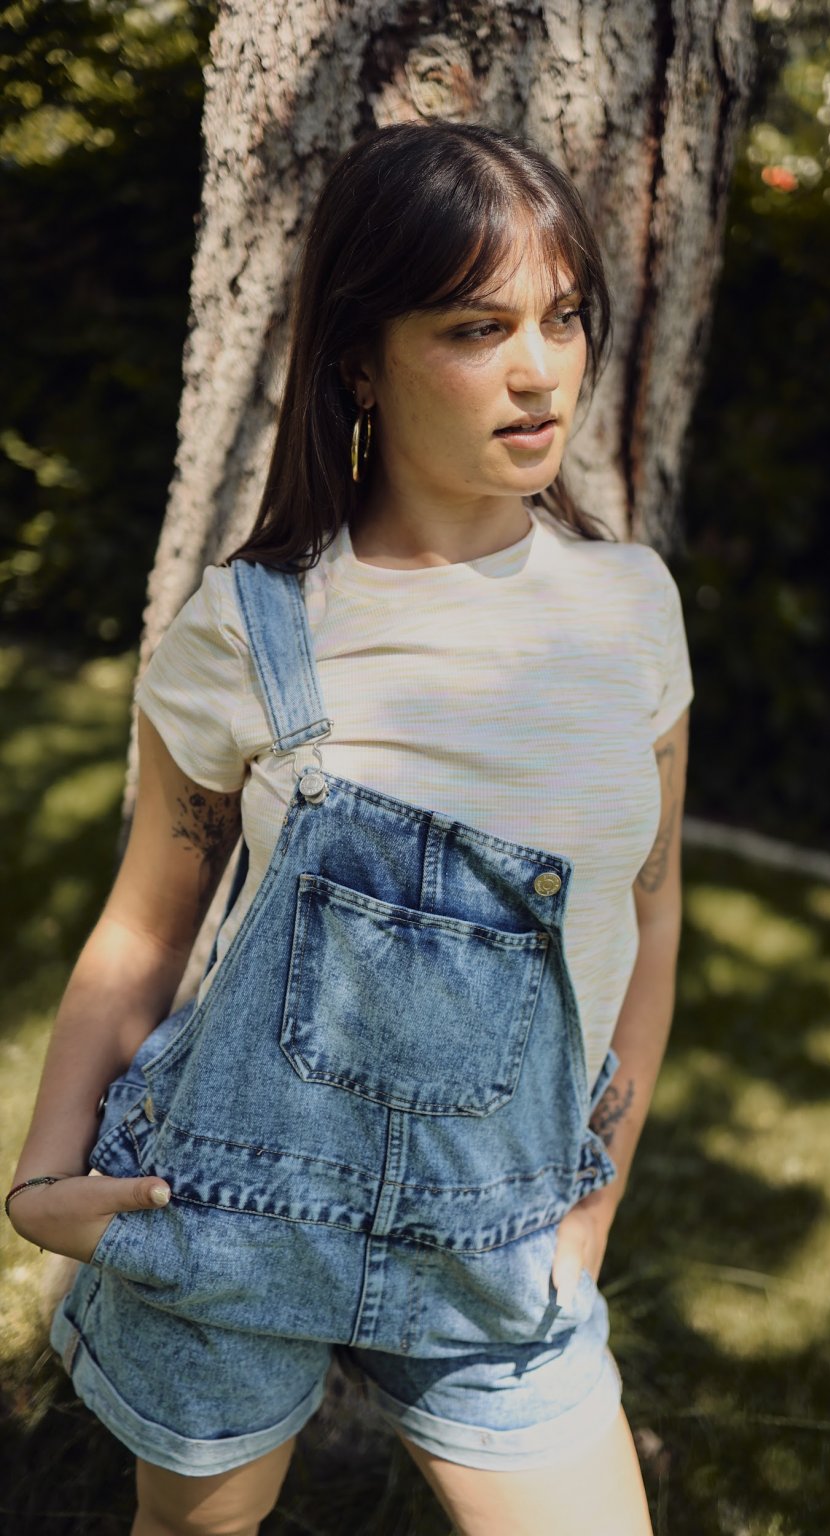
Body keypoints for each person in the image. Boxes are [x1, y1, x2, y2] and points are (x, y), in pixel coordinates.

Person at [6, 120, 693, 1536]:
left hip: (507, 1245)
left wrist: (593, 1215)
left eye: (563, 317)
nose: (539, 368)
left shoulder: (632, 611)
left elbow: (656, 904)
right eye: (476, 327)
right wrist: (45, 1177)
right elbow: (145, 925)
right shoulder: (250, 630)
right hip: (232, 1216)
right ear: (360, 361)